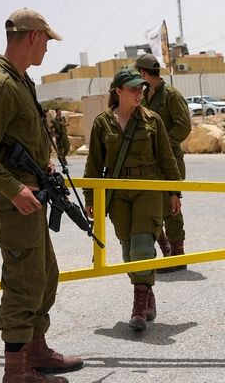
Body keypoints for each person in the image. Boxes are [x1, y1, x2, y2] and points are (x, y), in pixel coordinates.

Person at [0, 8, 82, 383]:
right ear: (32, 36)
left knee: (45, 276)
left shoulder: (21, 82)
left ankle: (36, 351)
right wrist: (14, 188)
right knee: (23, 282)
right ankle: (16, 372)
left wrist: (41, 171)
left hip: (31, 199)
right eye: (47, 40)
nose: (48, 47)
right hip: (17, 204)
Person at [83, 68, 182, 331]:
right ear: (118, 90)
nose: (140, 92)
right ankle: (147, 294)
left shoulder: (153, 120)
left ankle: (138, 306)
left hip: (147, 188)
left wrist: (174, 192)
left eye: (142, 88)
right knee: (128, 249)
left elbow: (166, 158)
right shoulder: (103, 123)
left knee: (141, 245)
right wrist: (91, 196)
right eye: (133, 88)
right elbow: (93, 163)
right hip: (116, 193)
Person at [134, 53, 192, 272]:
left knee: (171, 207)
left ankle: (177, 254)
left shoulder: (170, 95)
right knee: (151, 208)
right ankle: (166, 249)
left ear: (143, 73)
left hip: (169, 162)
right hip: (150, 162)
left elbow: (183, 126)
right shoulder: (146, 94)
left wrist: (162, 143)